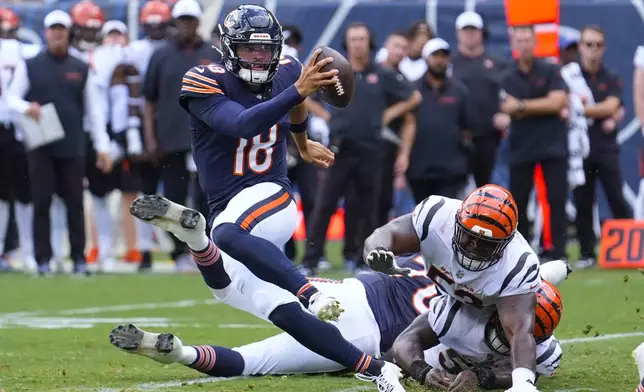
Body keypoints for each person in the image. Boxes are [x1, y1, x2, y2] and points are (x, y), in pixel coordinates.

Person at [130, 5, 406, 391]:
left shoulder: (289, 70)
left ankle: (305, 290)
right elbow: (242, 124)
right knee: (244, 296)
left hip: (271, 195)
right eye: (249, 48)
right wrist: (298, 96)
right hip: (230, 205)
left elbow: (294, 102)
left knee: (225, 233)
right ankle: (375, 367)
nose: (259, 56)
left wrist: (301, 141)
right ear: (229, 48)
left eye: (265, 49)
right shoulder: (203, 80)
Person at [108, 254, 568, 387]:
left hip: (349, 293)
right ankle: (184, 354)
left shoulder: (473, 280)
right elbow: (403, 351)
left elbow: (539, 273)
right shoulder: (462, 314)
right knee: (254, 363)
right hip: (368, 337)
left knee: (235, 284)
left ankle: (199, 240)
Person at [362, 184, 543, 391]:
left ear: (506, 243)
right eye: (469, 235)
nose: (474, 245)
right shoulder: (437, 217)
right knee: (397, 352)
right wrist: (377, 252)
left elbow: (519, 331)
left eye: (486, 242)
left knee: (539, 341)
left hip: (485, 310)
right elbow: (386, 233)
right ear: (456, 222)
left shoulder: (517, 263)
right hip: (448, 299)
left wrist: (523, 384)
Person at [302, 22, 420, 274]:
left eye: (362, 38)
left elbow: (413, 98)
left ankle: (362, 259)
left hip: (371, 150)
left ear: (370, 42)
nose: (358, 43)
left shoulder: (382, 74)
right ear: (346, 43)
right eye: (353, 39)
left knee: (367, 208)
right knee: (325, 205)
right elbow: (304, 92)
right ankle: (310, 260)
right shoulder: (335, 71)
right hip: (339, 148)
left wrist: (388, 114)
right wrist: (325, 114)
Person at [6, 9, 112, 276]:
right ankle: (43, 259)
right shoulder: (30, 64)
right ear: (45, 32)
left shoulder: (80, 67)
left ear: (68, 33)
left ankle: (78, 257)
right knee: (41, 201)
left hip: (73, 144)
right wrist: (26, 107)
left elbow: (94, 110)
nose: (56, 33)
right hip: (41, 144)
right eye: (52, 29)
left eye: (61, 29)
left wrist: (102, 146)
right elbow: (11, 98)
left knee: (74, 201)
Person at [141, 0, 214, 272]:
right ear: (175, 22)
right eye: (181, 20)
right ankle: (178, 252)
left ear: (198, 22)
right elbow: (148, 100)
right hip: (170, 139)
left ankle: (207, 250)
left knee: (208, 196)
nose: (185, 25)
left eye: (190, 20)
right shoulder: (160, 55)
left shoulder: (212, 53)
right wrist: (150, 138)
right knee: (175, 198)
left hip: (207, 140)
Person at [393, 280, 563, 391]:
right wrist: (422, 370)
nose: (515, 337)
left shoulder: (545, 352)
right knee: (387, 364)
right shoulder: (461, 315)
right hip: (434, 360)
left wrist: (483, 377)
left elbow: (520, 375)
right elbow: (406, 339)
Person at [499, 25, 569, 261]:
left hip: (552, 145)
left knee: (557, 199)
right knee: (518, 202)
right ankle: (523, 253)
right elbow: (503, 109)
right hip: (522, 147)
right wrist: (540, 105)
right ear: (513, 44)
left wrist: (520, 106)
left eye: (527, 40)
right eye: (519, 40)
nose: (524, 45)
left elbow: (557, 102)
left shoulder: (550, 69)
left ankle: (559, 251)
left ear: (535, 42)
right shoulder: (506, 75)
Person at [574, 25, 632, 269]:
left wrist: (581, 110)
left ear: (604, 48)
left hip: (605, 148)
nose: (593, 50)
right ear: (580, 46)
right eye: (588, 44)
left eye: (598, 45)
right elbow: (607, 108)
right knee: (583, 202)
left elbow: (612, 106)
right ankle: (587, 252)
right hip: (580, 150)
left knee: (616, 197)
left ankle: (631, 247)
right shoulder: (571, 76)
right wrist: (603, 110)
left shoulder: (611, 76)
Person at [124, 0, 172, 270]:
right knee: (146, 191)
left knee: (177, 190)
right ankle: (144, 249)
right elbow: (129, 96)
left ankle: (182, 248)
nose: (155, 28)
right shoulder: (135, 51)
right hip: (144, 127)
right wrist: (132, 131)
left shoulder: (172, 50)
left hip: (171, 127)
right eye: (151, 23)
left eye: (159, 23)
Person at [0, 8, 41, 272]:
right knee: (2, 196)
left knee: (25, 194)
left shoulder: (24, 53)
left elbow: (18, 89)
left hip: (17, 130)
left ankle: (28, 251)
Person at [406, 38, 471, 202]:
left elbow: (468, 126)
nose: (440, 61)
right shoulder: (412, 90)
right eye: (435, 56)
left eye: (444, 56)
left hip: (451, 168)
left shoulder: (459, 90)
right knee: (421, 217)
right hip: (419, 168)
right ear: (426, 58)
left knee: (447, 217)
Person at [451, 11, 510, 187]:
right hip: (456, 137)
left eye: (473, 30)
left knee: (487, 188)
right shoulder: (447, 63)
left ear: (481, 32)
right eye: (465, 30)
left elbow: (512, 94)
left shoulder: (499, 64)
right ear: (457, 33)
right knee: (454, 191)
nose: (470, 34)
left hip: (489, 136)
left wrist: (506, 113)